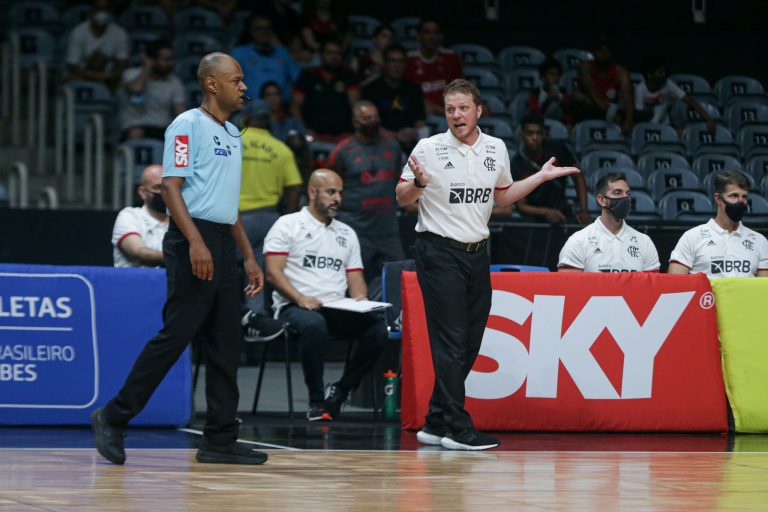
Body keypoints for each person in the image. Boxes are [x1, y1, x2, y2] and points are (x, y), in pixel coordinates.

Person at [91, 52, 268, 466]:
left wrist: (248, 257)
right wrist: (195, 242)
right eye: (236, 80)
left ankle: (220, 438)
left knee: (226, 342)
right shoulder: (187, 125)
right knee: (177, 334)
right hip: (193, 236)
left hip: (222, 239)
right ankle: (114, 416)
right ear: (212, 84)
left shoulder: (233, 133)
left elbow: (229, 204)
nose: (244, 87)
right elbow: (171, 188)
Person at [396, 79, 579, 450]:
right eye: (450, 109)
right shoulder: (428, 148)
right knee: (452, 341)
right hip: (438, 251)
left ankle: (435, 420)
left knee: (471, 340)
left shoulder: (495, 148)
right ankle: (457, 428)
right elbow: (402, 197)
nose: (456, 115)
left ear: (478, 111)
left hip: (478, 252)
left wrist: (540, 177)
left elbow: (503, 197)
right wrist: (419, 183)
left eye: (463, 108)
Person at [264, 169, 387, 421]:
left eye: (340, 193)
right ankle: (317, 400)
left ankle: (341, 391)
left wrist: (361, 299)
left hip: (337, 306)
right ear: (312, 192)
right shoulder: (287, 225)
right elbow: (273, 273)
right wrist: (301, 298)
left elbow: (355, 278)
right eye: (331, 192)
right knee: (314, 324)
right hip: (294, 306)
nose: (337, 199)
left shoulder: (347, 233)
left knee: (377, 330)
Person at [239, 98, 303, 327]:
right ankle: (255, 323)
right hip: (267, 220)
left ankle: (224, 326)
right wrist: (286, 217)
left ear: (247, 117)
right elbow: (295, 186)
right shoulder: (281, 149)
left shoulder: (232, 142)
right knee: (256, 274)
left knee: (224, 272)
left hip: (234, 218)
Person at [326, 101, 405, 284]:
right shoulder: (343, 150)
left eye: (376, 117)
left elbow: (397, 180)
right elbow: (329, 185)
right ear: (356, 122)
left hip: (387, 229)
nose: (373, 122)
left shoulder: (392, 146)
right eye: (367, 118)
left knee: (400, 278)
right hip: (355, 228)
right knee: (352, 283)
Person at [668, 171, 768, 278]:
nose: (740, 201)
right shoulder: (692, 237)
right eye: (734, 196)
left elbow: (764, 286)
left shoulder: (760, 241)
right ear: (718, 198)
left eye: (744, 197)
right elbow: (674, 282)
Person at [498, 113, 590, 225]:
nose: (535, 137)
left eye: (539, 133)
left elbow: (578, 176)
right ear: (521, 134)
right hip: (533, 218)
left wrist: (584, 210)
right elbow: (521, 205)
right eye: (530, 133)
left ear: (544, 134)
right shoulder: (516, 164)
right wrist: (546, 212)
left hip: (562, 211)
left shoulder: (557, 149)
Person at [558, 173, 659, 272]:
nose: (626, 198)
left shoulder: (645, 242)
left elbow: (652, 282)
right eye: (617, 193)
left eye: (628, 194)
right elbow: (568, 282)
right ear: (601, 200)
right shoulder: (578, 241)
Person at [362, 44, 427, 152]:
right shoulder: (370, 90)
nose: (397, 65)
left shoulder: (414, 89)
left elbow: (420, 122)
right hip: (380, 143)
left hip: (410, 142)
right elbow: (370, 125)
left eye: (400, 61)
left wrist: (415, 133)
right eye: (392, 61)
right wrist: (396, 136)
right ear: (384, 64)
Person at [291, 40, 360, 142]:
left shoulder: (349, 75)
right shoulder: (308, 75)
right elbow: (295, 107)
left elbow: (356, 108)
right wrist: (304, 130)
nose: (334, 57)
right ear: (321, 55)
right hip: (312, 137)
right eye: (329, 53)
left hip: (342, 138)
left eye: (338, 53)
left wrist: (350, 133)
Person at [118, 39, 186, 141]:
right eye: (166, 60)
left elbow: (181, 113)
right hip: (135, 126)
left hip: (163, 128)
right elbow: (137, 89)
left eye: (172, 59)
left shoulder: (175, 82)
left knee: (182, 137)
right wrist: (147, 67)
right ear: (152, 60)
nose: (171, 63)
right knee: (136, 133)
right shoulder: (131, 74)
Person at [634, 55, 717, 133]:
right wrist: (649, 110)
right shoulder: (640, 89)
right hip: (647, 128)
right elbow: (639, 116)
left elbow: (690, 101)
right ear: (649, 75)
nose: (664, 74)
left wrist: (708, 119)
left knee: (685, 134)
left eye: (664, 71)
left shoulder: (668, 84)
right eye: (660, 72)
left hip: (666, 126)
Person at [230, 14, 300, 104]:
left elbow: (298, 79)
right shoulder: (239, 53)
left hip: (281, 107)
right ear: (251, 31)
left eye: (267, 28)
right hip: (250, 107)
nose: (264, 32)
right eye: (259, 28)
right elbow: (229, 83)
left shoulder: (282, 53)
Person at [571, 38, 634, 134]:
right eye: (600, 50)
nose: (604, 53)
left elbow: (627, 98)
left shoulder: (620, 72)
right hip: (593, 106)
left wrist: (628, 121)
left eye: (607, 50)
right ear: (594, 52)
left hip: (611, 106)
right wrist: (605, 111)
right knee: (577, 96)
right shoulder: (585, 67)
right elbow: (592, 93)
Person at [111, 164, 169, 267]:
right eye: (158, 187)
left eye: (167, 187)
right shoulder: (129, 216)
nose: (163, 192)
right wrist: (179, 258)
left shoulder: (182, 221)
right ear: (142, 192)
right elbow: (139, 253)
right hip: (136, 277)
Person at [65, 0, 129, 89]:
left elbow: (122, 64)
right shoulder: (78, 32)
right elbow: (72, 65)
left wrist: (110, 76)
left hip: (109, 78)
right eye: (98, 8)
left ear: (111, 11)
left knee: (125, 80)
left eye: (105, 9)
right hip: (84, 75)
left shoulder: (120, 33)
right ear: (91, 10)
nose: (102, 12)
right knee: (70, 79)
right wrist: (95, 76)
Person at [404, 19, 463, 115]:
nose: (432, 37)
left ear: (440, 36)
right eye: (427, 32)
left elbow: (460, 88)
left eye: (435, 32)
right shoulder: (409, 59)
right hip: (422, 113)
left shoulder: (450, 57)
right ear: (419, 36)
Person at [528, 57, 572, 127]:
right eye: (551, 74)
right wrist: (548, 101)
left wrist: (561, 101)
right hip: (540, 126)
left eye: (558, 75)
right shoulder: (536, 93)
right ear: (543, 77)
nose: (555, 78)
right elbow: (534, 117)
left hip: (559, 126)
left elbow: (568, 117)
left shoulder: (563, 91)